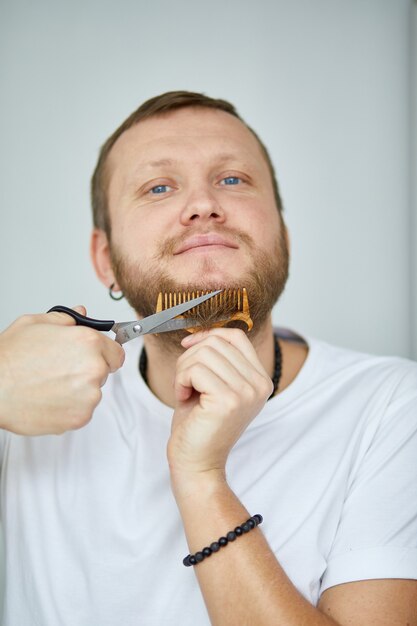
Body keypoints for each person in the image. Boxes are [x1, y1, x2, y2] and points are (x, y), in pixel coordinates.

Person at [0, 91, 416, 626]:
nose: (203, 205)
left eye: (232, 180)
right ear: (106, 260)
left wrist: (200, 478)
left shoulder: (391, 409)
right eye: (159, 187)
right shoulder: (19, 411)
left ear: (284, 238)